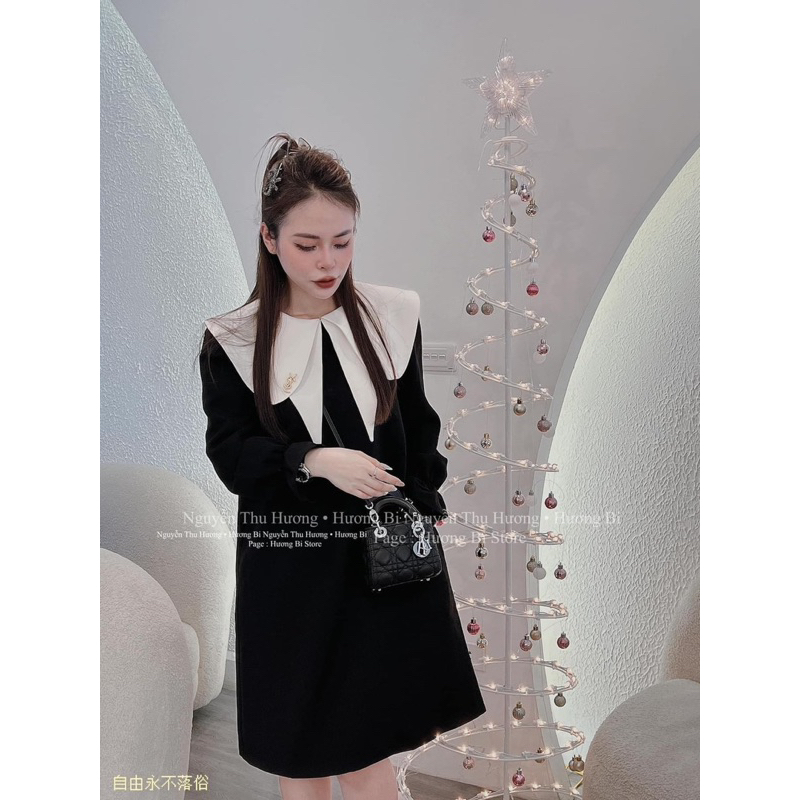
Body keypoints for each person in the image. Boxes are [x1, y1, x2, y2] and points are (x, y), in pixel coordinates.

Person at [198, 133, 486, 800]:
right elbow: (232, 455)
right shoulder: (233, 340)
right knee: (299, 759)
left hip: (380, 571)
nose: (328, 261)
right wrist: (315, 460)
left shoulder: (392, 316)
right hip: (289, 571)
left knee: (364, 759)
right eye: (307, 245)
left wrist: (421, 507)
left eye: (342, 241)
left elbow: (418, 432)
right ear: (269, 239)